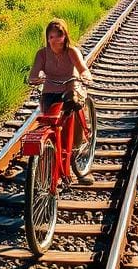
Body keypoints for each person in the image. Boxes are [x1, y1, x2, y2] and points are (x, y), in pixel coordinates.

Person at [28, 18, 95, 185]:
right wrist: (35, 79)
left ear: (65, 36)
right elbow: (34, 74)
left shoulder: (71, 51)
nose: (55, 39)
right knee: (50, 125)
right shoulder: (42, 54)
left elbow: (82, 69)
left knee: (74, 111)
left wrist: (85, 76)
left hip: (69, 90)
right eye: (51, 36)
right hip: (50, 92)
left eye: (59, 35)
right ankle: (50, 156)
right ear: (47, 38)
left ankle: (77, 161)